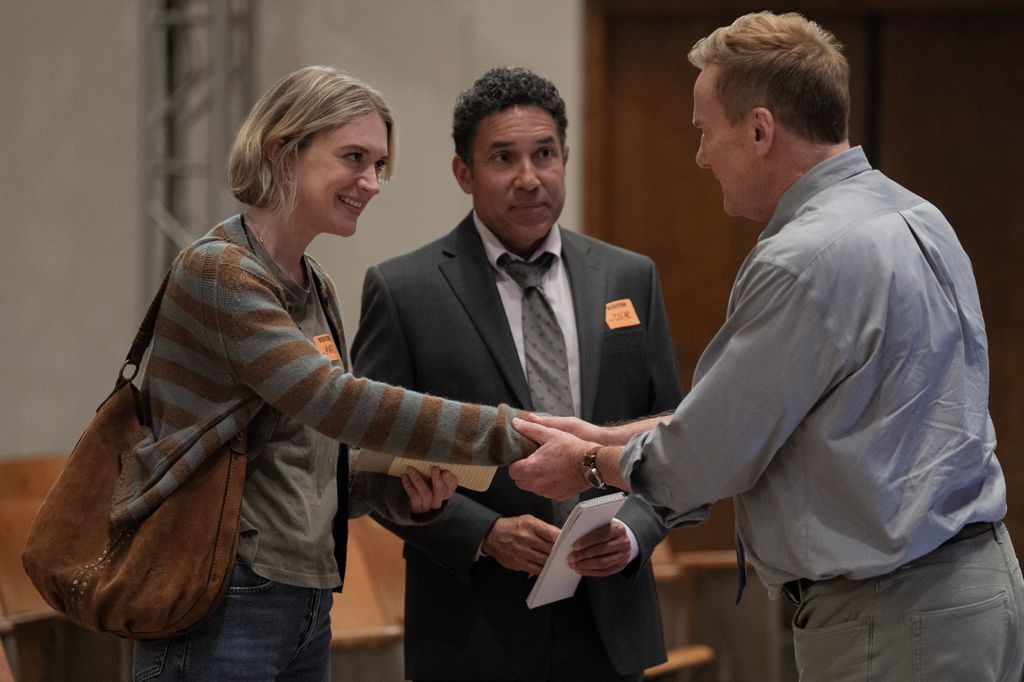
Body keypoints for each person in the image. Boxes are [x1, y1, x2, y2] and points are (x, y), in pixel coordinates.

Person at [508, 12, 1024, 681]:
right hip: (969, 589)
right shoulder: (916, 214)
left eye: (704, 130)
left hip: (892, 615)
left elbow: (706, 458)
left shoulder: (803, 258)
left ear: (758, 130)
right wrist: (605, 436)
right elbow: (772, 421)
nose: (699, 155)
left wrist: (586, 463)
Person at [125, 65, 535, 682]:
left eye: (378, 165)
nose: (371, 182)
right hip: (223, 597)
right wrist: (518, 431)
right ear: (283, 150)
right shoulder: (220, 273)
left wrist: (396, 493)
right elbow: (336, 403)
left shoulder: (315, 286)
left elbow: (312, 460)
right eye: (353, 157)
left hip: (304, 598)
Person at [351, 66, 686, 682]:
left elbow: (676, 435)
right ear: (464, 173)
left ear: (564, 157)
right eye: (503, 158)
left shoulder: (627, 277)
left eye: (544, 154)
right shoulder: (406, 290)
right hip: (474, 628)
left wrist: (633, 534)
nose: (529, 178)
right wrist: (486, 533)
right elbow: (370, 462)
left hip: (608, 623)